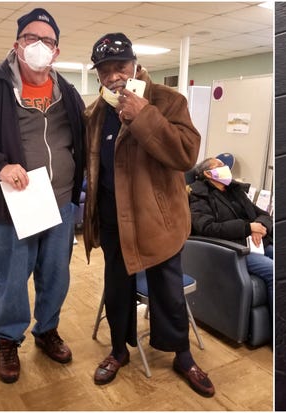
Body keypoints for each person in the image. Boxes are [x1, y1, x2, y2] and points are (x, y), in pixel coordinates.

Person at [0, 8, 85, 384]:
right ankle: (8, 340)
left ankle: (47, 330)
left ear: (57, 51)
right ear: (17, 44)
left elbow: (79, 142)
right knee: (11, 279)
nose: (40, 46)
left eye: (48, 41)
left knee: (55, 277)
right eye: (31, 39)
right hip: (12, 205)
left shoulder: (67, 93)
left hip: (59, 203)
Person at [82, 33, 214, 397]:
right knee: (117, 288)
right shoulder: (95, 114)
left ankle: (183, 356)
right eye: (105, 71)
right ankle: (118, 351)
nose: (113, 77)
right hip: (111, 219)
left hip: (159, 218)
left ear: (136, 65)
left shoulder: (168, 101)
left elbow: (186, 155)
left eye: (120, 67)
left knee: (168, 290)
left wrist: (144, 116)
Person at [188, 157, 273, 315]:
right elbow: (207, 227)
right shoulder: (199, 195)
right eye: (220, 165)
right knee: (272, 270)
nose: (226, 167)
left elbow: (263, 214)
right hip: (233, 248)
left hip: (257, 243)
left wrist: (260, 227)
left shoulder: (235, 191)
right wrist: (247, 227)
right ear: (208, 173)